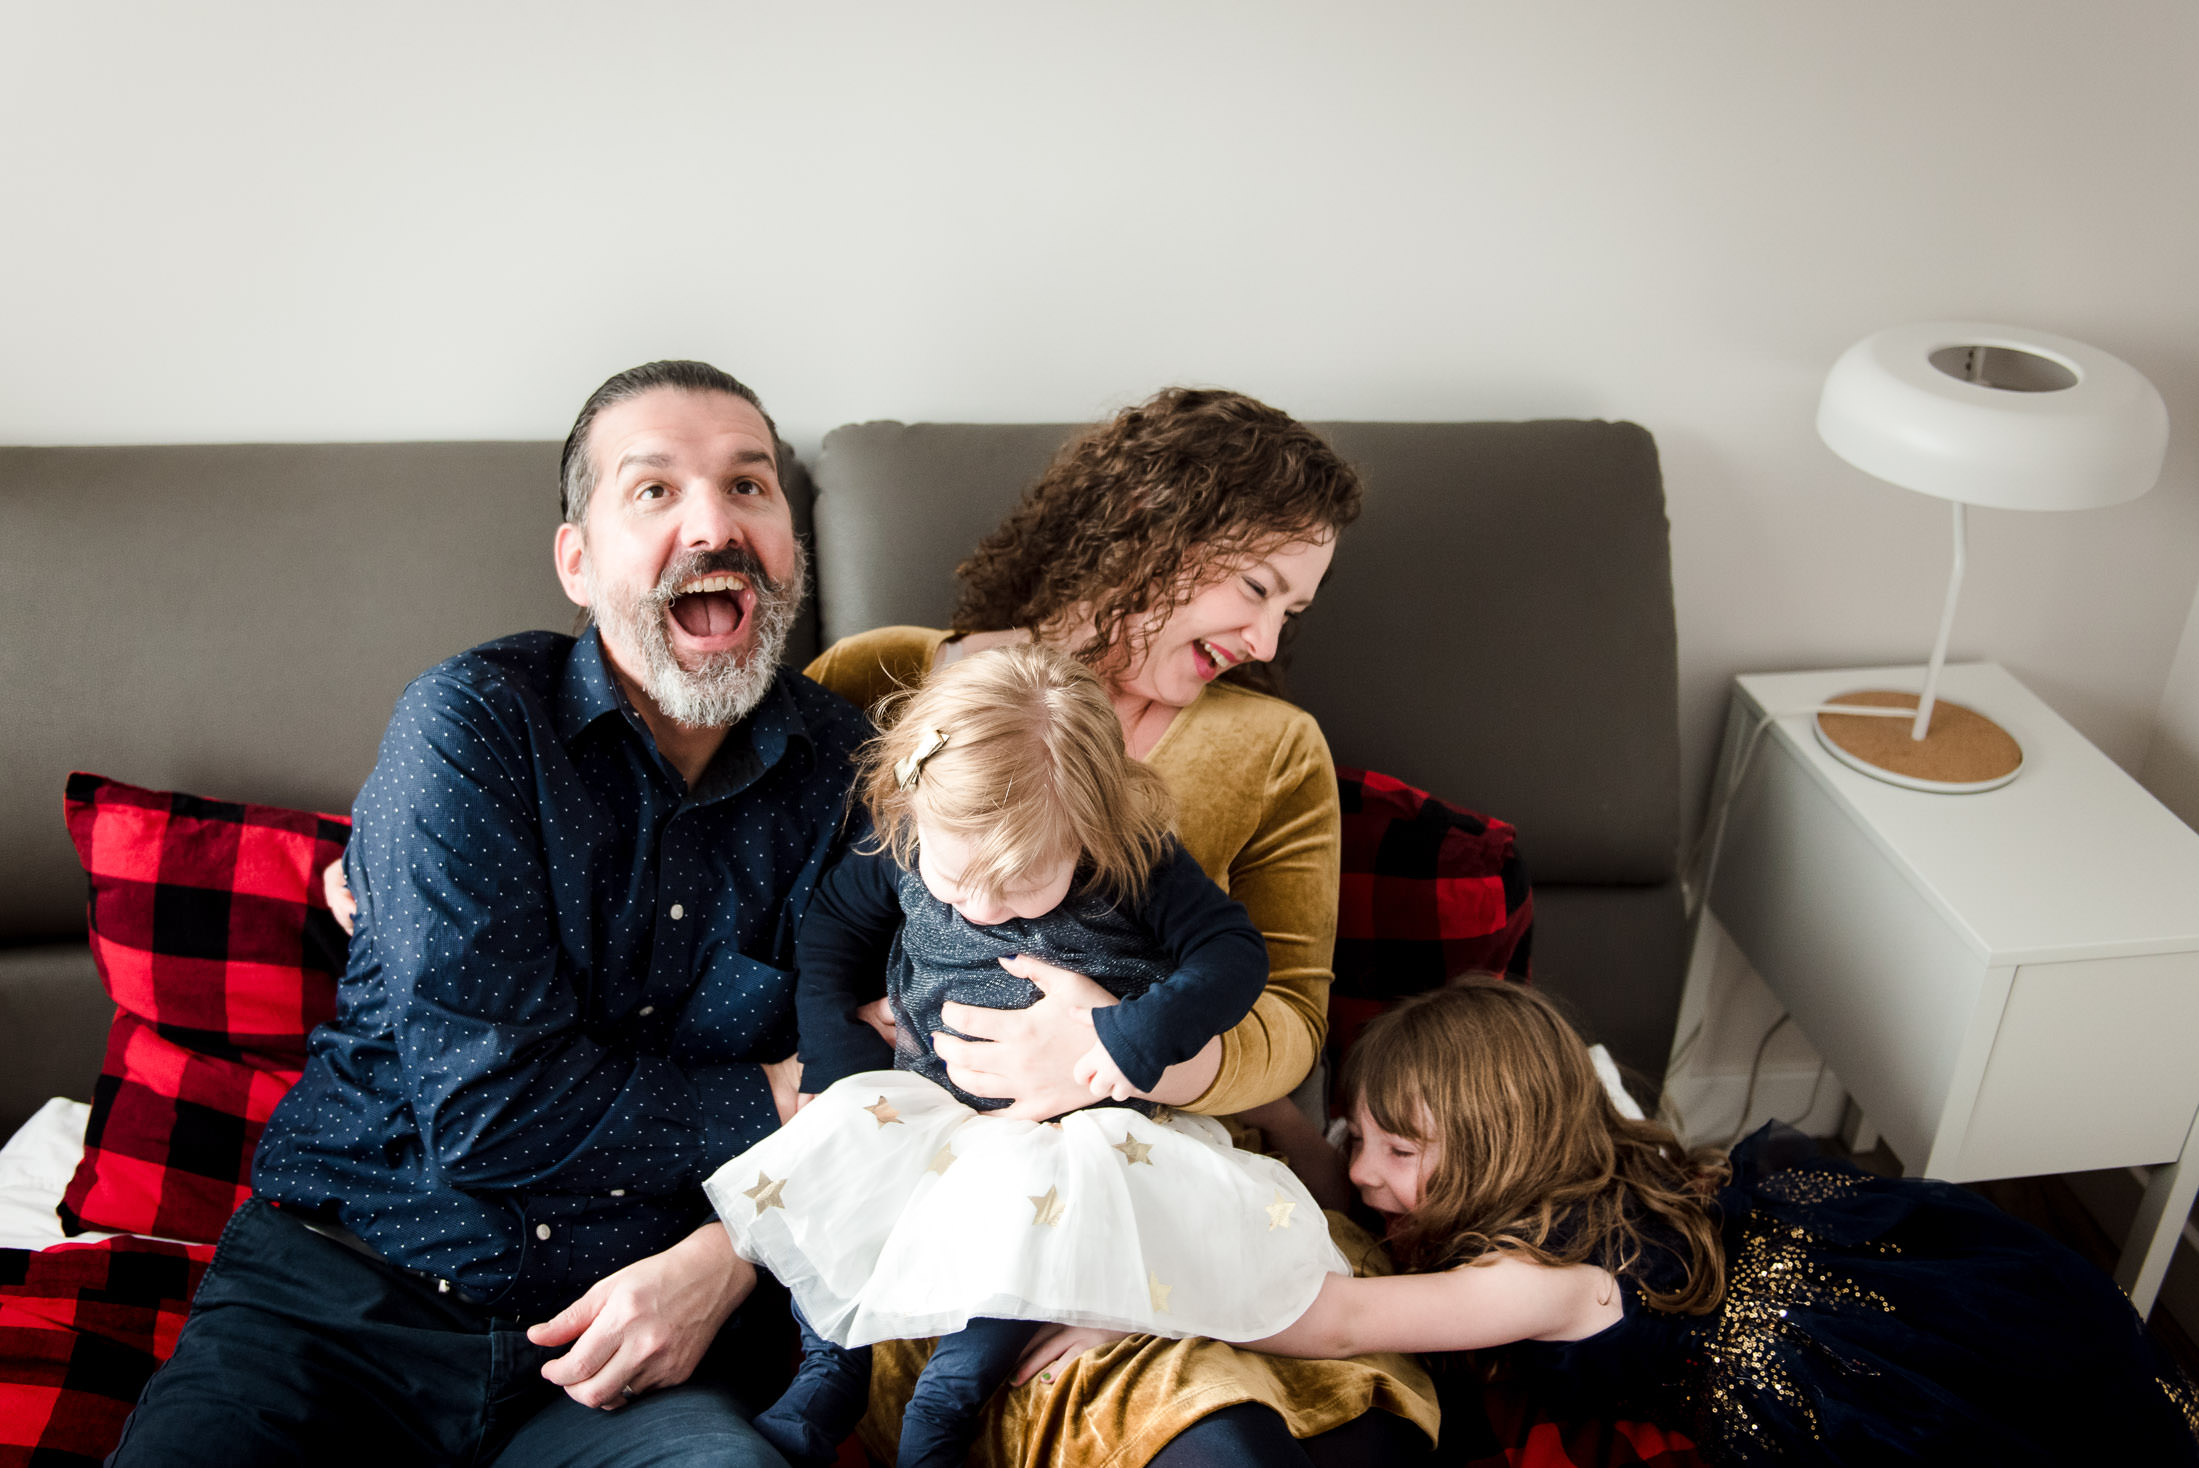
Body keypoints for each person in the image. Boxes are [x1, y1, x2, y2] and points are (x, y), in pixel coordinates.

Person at [109, 361, 875, 1465]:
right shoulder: (473, 728)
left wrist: (738, 1251)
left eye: (751, 488)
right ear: (578, 559)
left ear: (792, 549)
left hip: (631, 1342)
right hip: (343, 1295)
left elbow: (897, 1088)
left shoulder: (854, 774)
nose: (716, 524)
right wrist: (770, 1093)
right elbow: (489, 1110)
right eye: (654, 491)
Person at [802, 387, 1439, 1466]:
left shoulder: (1272, 747)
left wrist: (1111, 1051)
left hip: (1174, 1174)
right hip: (953, 1195)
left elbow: (1289, 1019)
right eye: (1254, 585)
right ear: (1150, 520)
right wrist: (848, 1058)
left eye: (1293, 609)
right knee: (1218, 1446)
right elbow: (804, 919)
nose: (1266, 634)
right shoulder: (890, 678)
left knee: (1351, 1438)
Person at [709, 645, 1349, 1468]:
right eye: (953, 876)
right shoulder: (906, 839)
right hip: (930, 1105)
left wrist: (1136, 1034)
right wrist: (837, 1054)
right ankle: (829, 1373)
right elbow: (831, 929)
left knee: (1022, 1233)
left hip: (1065, 1132)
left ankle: (946, 1405)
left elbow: (1232, 956)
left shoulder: (1135, 861)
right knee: (826, 1173)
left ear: (1091, 826)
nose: (977, 904)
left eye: (1015, 886)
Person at [1246, 978, 2199, 1466]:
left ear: (1501, 1142)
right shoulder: (1573, 1148)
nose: (1364, 1169)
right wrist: (1279, 1114)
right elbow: (1354, 1179)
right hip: (1784, 1272)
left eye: (1397, 1151)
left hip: (1816, 1374)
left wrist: (1149, 1300)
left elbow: (1337, 1319)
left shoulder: (1528, 1280)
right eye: (1354, 1134)